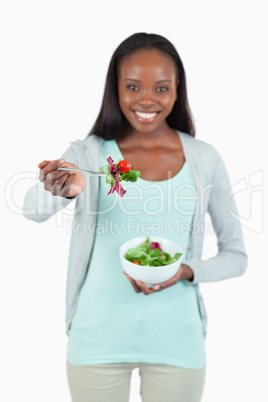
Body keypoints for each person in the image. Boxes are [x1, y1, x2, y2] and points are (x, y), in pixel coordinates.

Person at [22, 32, 248, 402]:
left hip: (177, 342)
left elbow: (236, 257)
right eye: (132, 86)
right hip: (96, 342)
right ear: (115, 89)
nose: (146, 100)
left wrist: (185, 271)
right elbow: (32, 211)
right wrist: (58, 188)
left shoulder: (204, 158)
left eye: (161, 88)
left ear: (177, 91)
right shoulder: (89, 155)